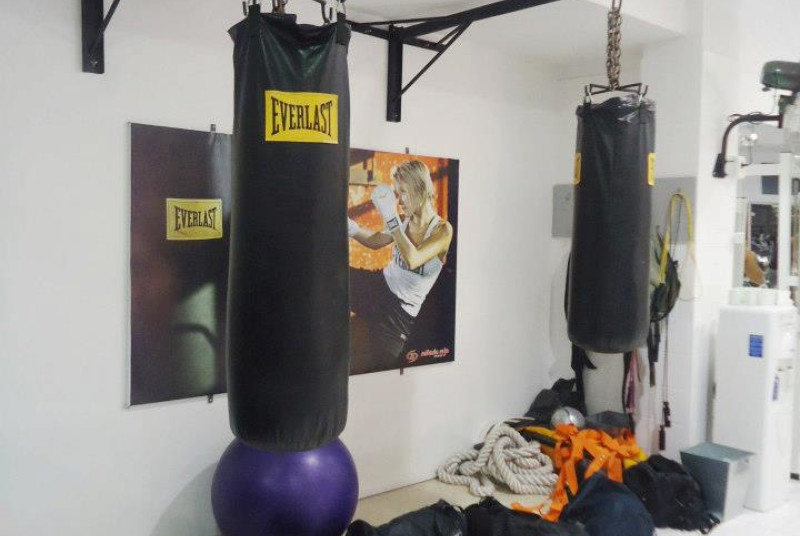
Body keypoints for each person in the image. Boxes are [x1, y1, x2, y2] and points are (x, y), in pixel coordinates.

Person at [347, 160, 453, 372]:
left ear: (419, 188)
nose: (399, 201)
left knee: (385, 368)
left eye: (403, 192)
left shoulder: (442, 230)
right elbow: (376, 241)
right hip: (377, 286)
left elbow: (413, 258)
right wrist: (351, 227)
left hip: (398, 316)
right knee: (333, 277)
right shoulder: (404, 220)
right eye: (396, 193)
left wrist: (392, 218)